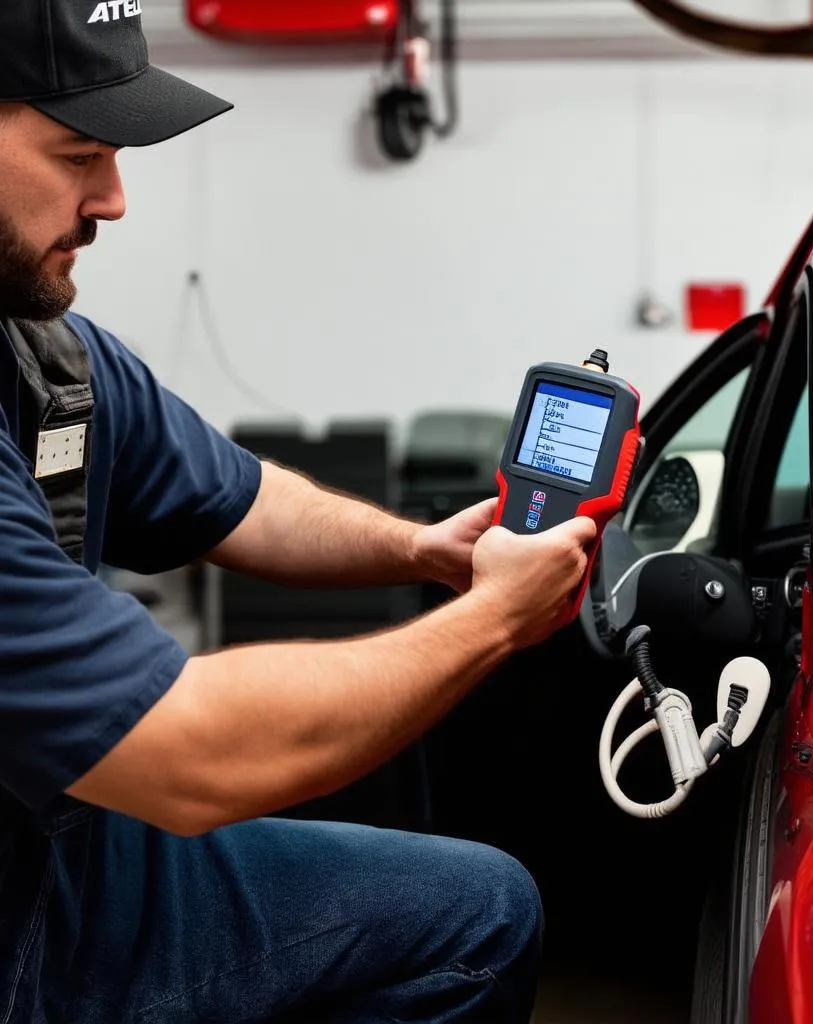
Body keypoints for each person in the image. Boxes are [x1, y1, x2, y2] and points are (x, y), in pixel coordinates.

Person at [0, 4, 597, 1022]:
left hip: (57, 847)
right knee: (474, 925)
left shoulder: (48, 355)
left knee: (479, 907)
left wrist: (428, 550)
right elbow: (186, 754)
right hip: (21, 936)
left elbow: (239, 496)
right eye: (79, 155)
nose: (114, 198)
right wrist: (491, 618)